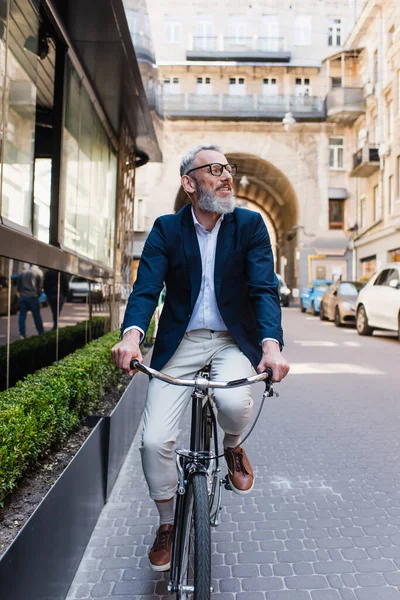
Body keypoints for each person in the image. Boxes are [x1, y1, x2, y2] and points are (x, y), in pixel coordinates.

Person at [111, 144, 290, 571]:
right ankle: (168, 523)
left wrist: (271, 345)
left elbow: (263, 290)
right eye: (214, 169)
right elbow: (146, 290)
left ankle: (231, 447)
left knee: (233, 402)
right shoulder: (166, 230)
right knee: (154, 440)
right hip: (181, 344)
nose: (227, 175)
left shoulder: (249, 226)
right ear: (190, 183)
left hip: (231, 340)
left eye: (228, 168)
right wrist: (132, 336)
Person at [17, 263, 44, 338]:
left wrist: (21, 293)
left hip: (23, 296)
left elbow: (19, 286)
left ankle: (22, 334)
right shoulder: (39, 272)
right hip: (33, 297)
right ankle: (41, 332)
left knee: (22, 316)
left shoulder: (23, 272)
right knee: (37, 316)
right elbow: (40, 286)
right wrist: (38, 294)